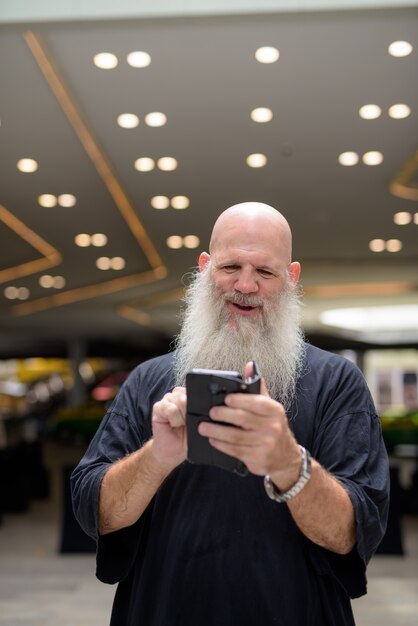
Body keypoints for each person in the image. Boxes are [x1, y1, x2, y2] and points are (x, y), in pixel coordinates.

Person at [71, 202, 389, 626]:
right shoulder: (149, 380)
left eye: (265, 272)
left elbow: (354, 530)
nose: (245, 284)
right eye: (230, 266)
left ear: (291, 278)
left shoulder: (337, 382)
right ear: (204, 268)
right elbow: (95, 512)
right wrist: (156, 458)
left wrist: (288, 464)